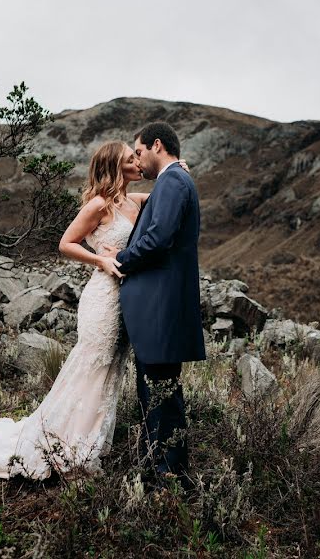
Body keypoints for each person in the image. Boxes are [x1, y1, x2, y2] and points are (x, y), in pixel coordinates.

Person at [0, 140, 188, 479]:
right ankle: (67, 448)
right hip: (102, 298)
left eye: (137, 156)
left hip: (125, 299)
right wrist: (101, 258)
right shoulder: (98, 205)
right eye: (130, 159)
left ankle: (87, 443)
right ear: (115, 167)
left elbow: (164, 198)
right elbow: (65, 243)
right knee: (91, 367)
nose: (137, 162)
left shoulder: (133, 200)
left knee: (110, 372)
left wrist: (178, 169)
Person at [102, 121, 206, 483]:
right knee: (156, 393)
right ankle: (156, 468)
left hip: (162, 310)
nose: (138, 161)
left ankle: (169, 476)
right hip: (158, 311)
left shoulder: (174, 182)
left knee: (163, 394)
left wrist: (123, 258)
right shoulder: (172, 181)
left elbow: (160, 238)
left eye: (140, 151)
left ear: (156, 145)